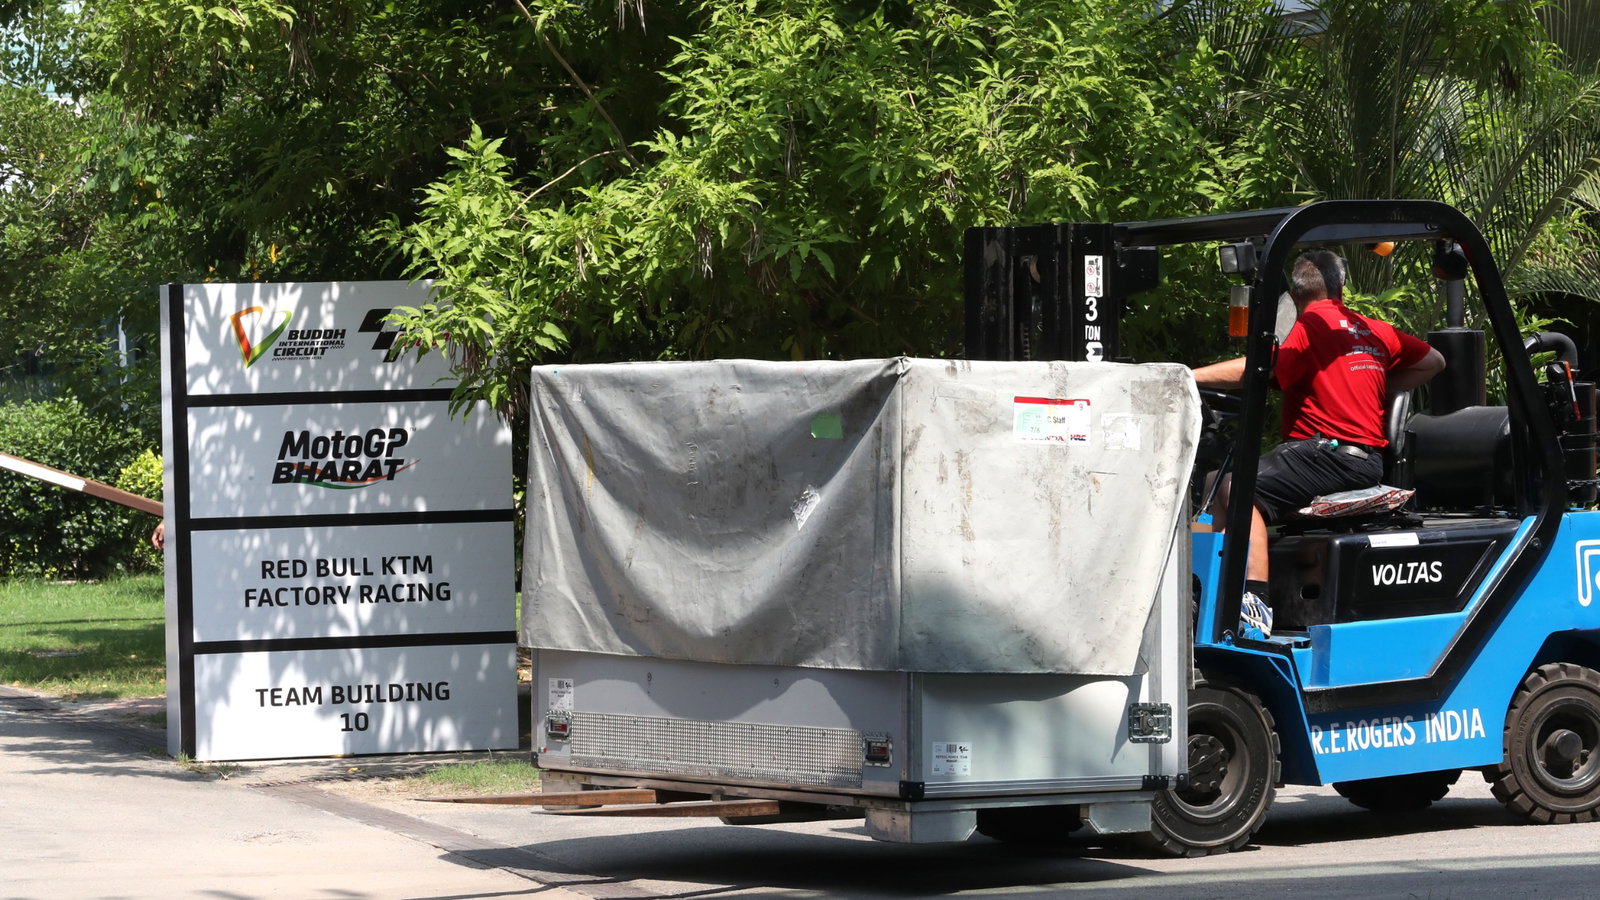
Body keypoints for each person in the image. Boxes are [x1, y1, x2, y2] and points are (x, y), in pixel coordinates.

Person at [1193, 249, 1445, 639]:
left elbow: (1262, 369)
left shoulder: (1310, 324)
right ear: (1341, 287)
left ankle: (1253, 604)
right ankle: (1201, 590)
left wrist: (1186, 376)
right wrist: (1380, 384)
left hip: (1329, 454)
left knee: (1237, 486)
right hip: (1361, 459)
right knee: (1213, 483)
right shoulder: (1374, 329)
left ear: (1293, 296)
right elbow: (1434, 361)